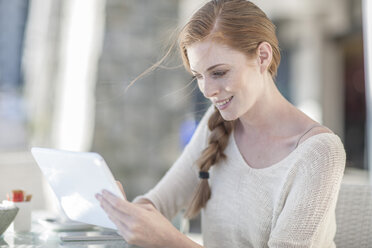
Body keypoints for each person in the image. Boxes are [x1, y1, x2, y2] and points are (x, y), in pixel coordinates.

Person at [95, 0, 346, 247]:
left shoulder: (319, 153)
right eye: (198, 76)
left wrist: (171, 241)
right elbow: (158, 203)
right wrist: (126, 213)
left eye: (219, 73)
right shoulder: (214, 126)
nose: (207, 90)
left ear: (262, 56)